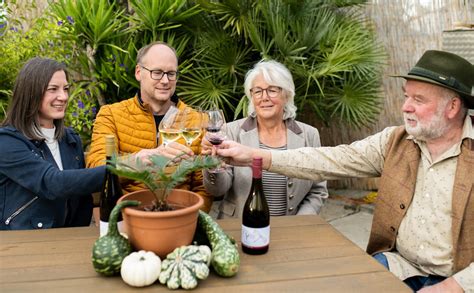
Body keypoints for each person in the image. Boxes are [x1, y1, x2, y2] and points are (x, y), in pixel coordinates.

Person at [213, 50, 474, 292]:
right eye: (406, 96)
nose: (405, 106)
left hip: (461, 276)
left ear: (451, 107)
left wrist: (454, 286)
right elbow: (332, 159)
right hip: (399, 265)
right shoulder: (395, 141)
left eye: (418, 99)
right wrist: (255, 156)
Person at [86, 41, 212, 212]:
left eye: (171, 73)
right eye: (157, 73)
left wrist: (190, 219)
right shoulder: (111, 115)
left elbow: (203, 187)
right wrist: (137, 161)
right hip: (128, 216)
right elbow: (97, 169)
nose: (165, 80)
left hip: (179, 216)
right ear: (139, 72)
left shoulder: (196, 120)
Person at [203, 60, 328, 218]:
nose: (264, 97)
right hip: (239, 226)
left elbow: (318, 191)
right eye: (258, 91)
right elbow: (217, 190)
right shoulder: (230, 131)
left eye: (272, 90)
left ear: (287, 95)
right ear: (251, 96)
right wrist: (212, 165)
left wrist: (298, 224)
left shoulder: (309, 135)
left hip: (291, 230)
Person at [0, 57, 106, 230]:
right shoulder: (7, 142)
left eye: (65, 89)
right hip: (19, 244)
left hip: (66, 241)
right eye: (53, 89)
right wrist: (121, 169)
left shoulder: (70, 140)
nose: (63, 97)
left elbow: (81, 200)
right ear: (31, 93)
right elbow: (53, 183)